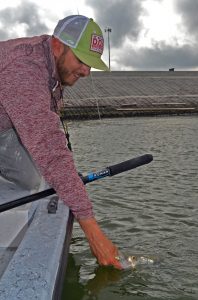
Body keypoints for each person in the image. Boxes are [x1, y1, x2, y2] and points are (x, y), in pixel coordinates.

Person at [0, 15, 121, 269]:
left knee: (33, 178)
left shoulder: (53, 68)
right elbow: (48, 145)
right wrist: (91, 229)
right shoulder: (25, 67)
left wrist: (68, 181)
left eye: (90, 64)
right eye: (81, 61)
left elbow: (52, 130)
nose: (86, 72)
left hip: (5, 125)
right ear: (57, 46)